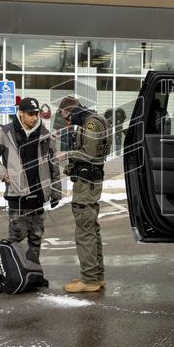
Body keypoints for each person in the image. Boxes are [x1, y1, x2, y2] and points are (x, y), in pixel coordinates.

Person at [0, 96, 61, 268]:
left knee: (36, 239)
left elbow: (53, 165)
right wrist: (4, 174)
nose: (34, 117)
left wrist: (56, 191)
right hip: (17, 197)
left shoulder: (44, 135)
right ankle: (15, 274)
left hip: (39, 197)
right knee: (16, 239)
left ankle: (33, 273)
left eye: (36, 114)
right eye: (30, 114)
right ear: (21, 113)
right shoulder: (7, 133)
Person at [56, 96, 110, 293]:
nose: (67, 122)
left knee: (84, 231)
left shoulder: (90, 124)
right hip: (91, 181)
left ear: (72, 111)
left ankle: (89, 280)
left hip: (86, 183)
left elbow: (88, 154)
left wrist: (66, 155)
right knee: (92, 229)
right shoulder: (97, 120)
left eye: (67, 118)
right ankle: (97, 275)